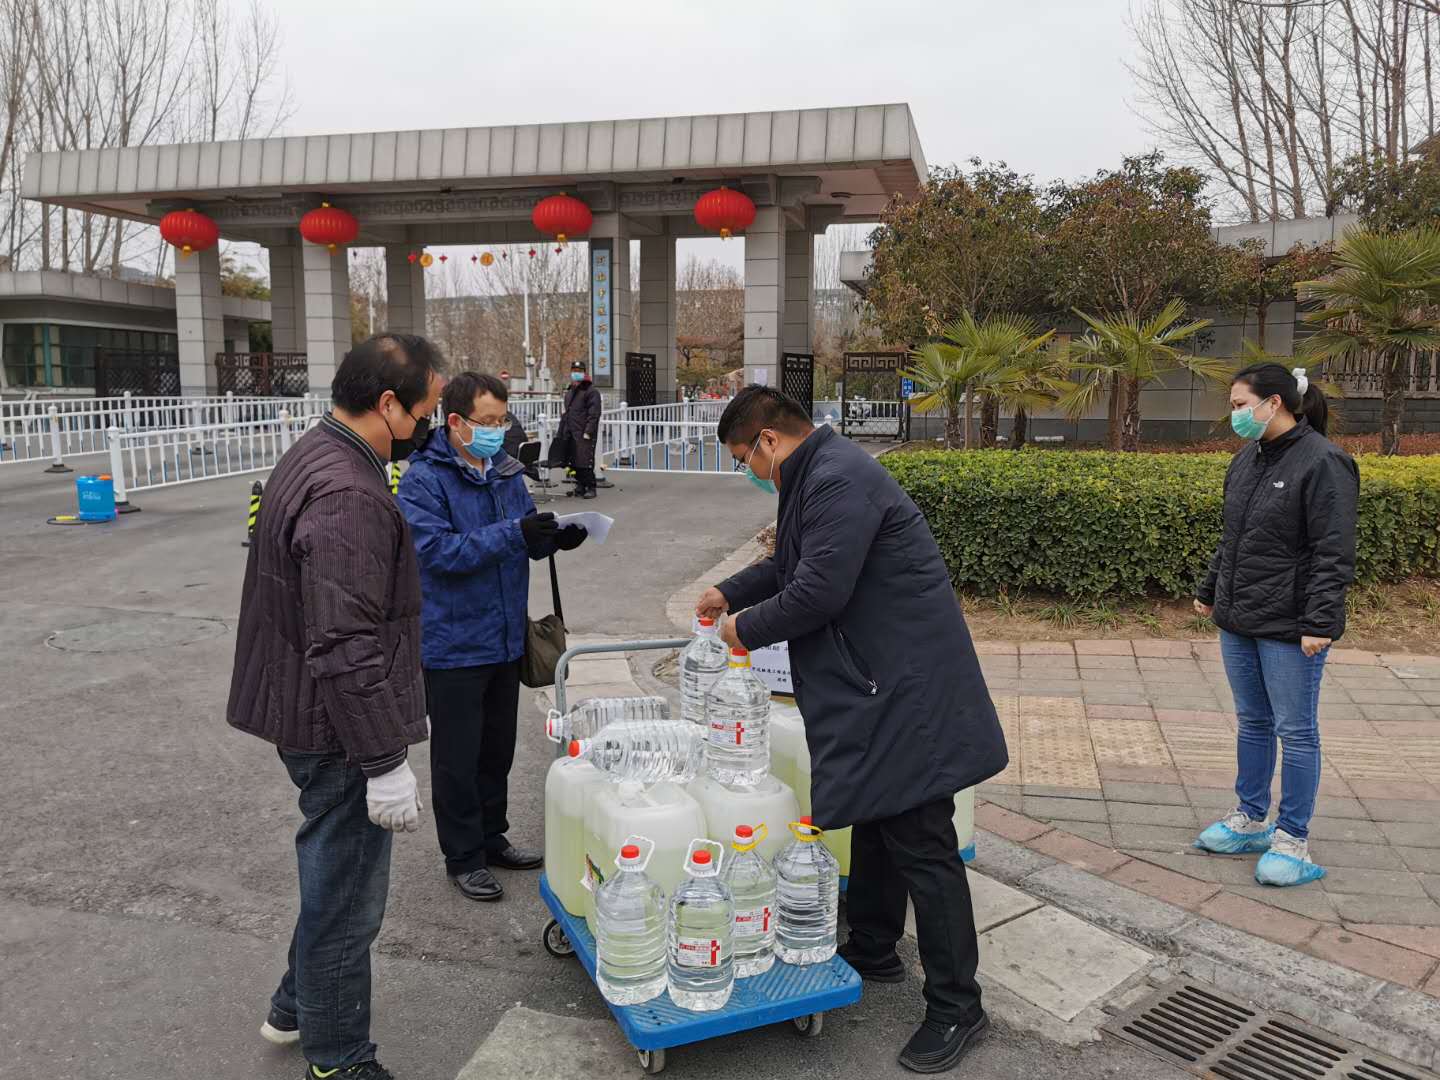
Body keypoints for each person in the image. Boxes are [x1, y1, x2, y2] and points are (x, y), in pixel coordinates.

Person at [695, 385, 1008, 1074]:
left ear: (769, 440)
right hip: (876, 680)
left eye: (745, 458)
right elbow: (792, 564)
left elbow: (818, 592)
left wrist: (743, 629)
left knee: (923, 843)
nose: (750, 471)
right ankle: (872, 946)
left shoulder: (836, 478)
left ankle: (959, 1006)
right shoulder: (817, 473)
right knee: (875, 814)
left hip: (906, 689)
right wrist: (732, 590)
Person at [227, 333, 444, 1080]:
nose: (426, 427)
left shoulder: (318, 452)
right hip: (339, 727)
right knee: (348, 900)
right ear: (387, 404)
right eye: (424, 412)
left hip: (307, 706)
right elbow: (345, 640)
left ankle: (295, 1006)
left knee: (333, 876)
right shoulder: (350, 491)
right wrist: (384, 762)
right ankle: (340, 1057)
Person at [398, 372, 587, 902]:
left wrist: (554, 538)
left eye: (502, 421)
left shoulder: (505, 471)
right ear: (455, 421)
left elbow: (522, 536)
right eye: (486, 422)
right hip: (453, 641)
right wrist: (515, 534)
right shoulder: (424, 480)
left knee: (496, 747)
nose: (496, 431)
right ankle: (463, 855)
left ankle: (491, 836)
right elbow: (436, 553)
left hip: (505, 635)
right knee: (457, 756)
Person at [1193, 363, 1358, 887]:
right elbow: (1234, 536)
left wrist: (1320, 622)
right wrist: (1209, 590)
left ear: (1275, 403)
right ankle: (1249, 818)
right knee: (1253, 722)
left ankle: (1292, 840)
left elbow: (1333, 551)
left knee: (1297, 731)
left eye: (1241, 405)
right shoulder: (1247, 458)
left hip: (1291, 625)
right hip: (1239, 616)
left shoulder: (1325, 461)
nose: (1235, 414)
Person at [549, 359, 602, 498]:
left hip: (583, 432)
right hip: (569, 431)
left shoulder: (591, 391)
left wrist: (588, 431)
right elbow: (567, 412)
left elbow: (594, 414)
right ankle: (580, 485)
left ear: (584, 372)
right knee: (573, 460)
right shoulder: (571, 391)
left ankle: (591, 486)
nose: (576, 373)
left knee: (585, 460)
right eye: (574, 371)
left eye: (579, 371)